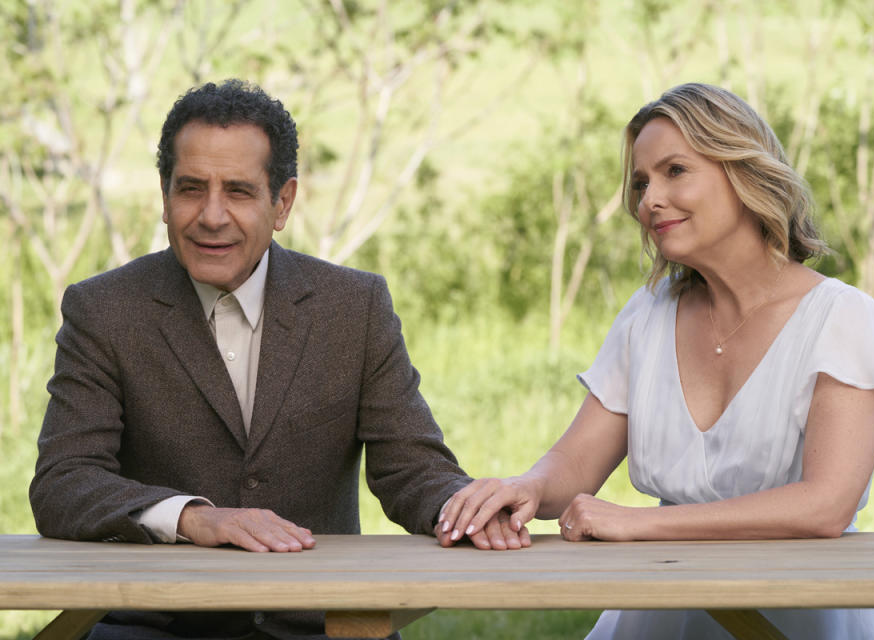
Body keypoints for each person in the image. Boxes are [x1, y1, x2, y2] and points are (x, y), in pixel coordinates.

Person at [29, 79, 526, 640]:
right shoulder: (103, 308)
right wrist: (193, 517)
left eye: (238, 192)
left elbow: (411, 467)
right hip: (158, 624)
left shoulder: (354, 307)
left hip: (324, 623)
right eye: (191, 189)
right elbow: (64, 483)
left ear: (282, 201)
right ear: (164, 197)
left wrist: (467, 512)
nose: (211, 216)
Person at [437, 83, 874, 639]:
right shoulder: (647, 315)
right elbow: (576, 464)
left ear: (742, 173)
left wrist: (641, 523)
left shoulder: (843, 318)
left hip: (802, 614)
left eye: (675, 171)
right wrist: (530, 487)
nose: (649, 200)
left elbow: (824, 506)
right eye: (641, 183)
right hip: (657, 614)